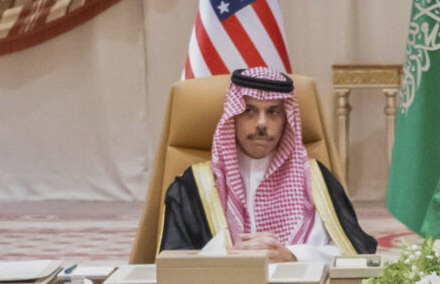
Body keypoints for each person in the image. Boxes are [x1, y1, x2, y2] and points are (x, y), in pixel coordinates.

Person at [159, 67, 377, 258]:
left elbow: (357, 252)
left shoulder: (316, 179)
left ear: (286, 120)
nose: (262, 123)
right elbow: (174, 263)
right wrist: (230, 258)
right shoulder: (194, 187)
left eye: (273, 112)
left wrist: (292, 255)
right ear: (232, 117)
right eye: (249, 111)